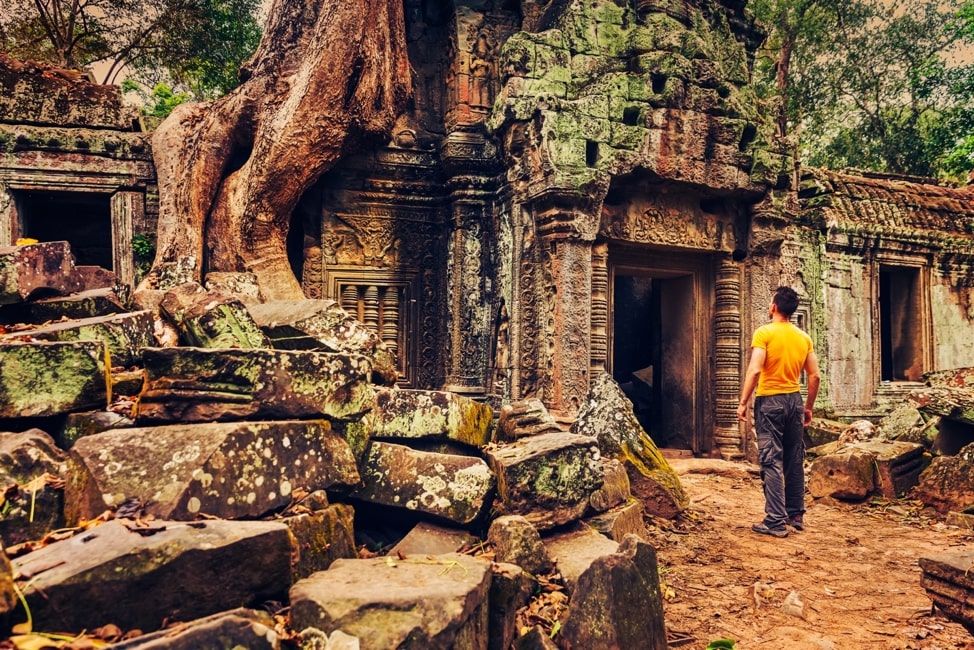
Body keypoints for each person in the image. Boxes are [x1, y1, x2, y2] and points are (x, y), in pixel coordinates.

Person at [737, 286, 821, 538]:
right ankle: (795, 514)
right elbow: (815, 376)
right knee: (794, 457)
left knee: (770, 458)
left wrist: (743, 401)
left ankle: (775, 520)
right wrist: (808, 407)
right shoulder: (803, 337)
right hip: (795, 401)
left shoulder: (764, 332)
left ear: (774, 307)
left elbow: (754, 370)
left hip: (770, 401)